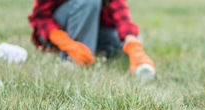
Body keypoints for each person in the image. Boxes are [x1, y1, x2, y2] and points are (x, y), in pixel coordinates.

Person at [28, 0, 156, 77]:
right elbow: (40, 16)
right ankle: (73, 60)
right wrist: (65, 42)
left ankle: (87, 51)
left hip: (91, 27)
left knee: (132, 39)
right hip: (56, 30)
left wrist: (133, 44)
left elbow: (120, 11)